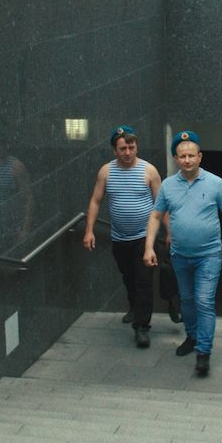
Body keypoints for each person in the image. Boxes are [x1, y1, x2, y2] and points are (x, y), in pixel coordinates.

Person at [144, 131, 222, 376]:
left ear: (200, 157)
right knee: (187, 301)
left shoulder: (215, 183)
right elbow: (156, 215)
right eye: (182, 156)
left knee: (203, 301)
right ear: (176, 159)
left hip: (209, 255)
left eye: (191, 155)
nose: (187, 160)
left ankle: (203, 352)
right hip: (180, 255)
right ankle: (191, 336)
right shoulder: (168, 185)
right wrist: (148, 247)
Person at [83, 125, 182, 349]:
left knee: (143, 281)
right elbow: (96, 201)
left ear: (136, 147)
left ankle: (142, 328)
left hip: (144, 238)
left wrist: (169, 232)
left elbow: (161, 205)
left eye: (131, 147)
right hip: (119, 238)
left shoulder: (149, 171)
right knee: (128, 277)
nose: (128, 152)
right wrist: (89, 230)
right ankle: (133, 306)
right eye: (122, 148)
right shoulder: (106, 172)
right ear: (114, 150)